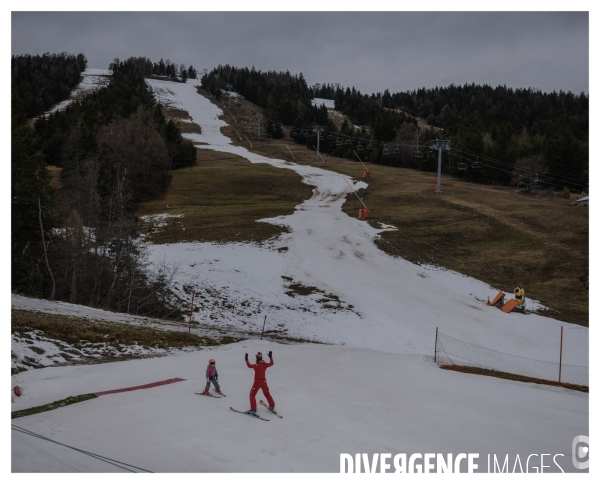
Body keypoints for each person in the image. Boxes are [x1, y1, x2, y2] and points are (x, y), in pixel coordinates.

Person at [245, 351, 275, 415]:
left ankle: (253, 409)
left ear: (256, 358)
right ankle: (272, 406)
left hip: (257, 382)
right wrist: (270, 357)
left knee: (252, 395)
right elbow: (272, 363)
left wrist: (246, 359)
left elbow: (249, 365)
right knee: (267, 393)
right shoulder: (264, 364)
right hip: (264, 381)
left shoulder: (256, 365)